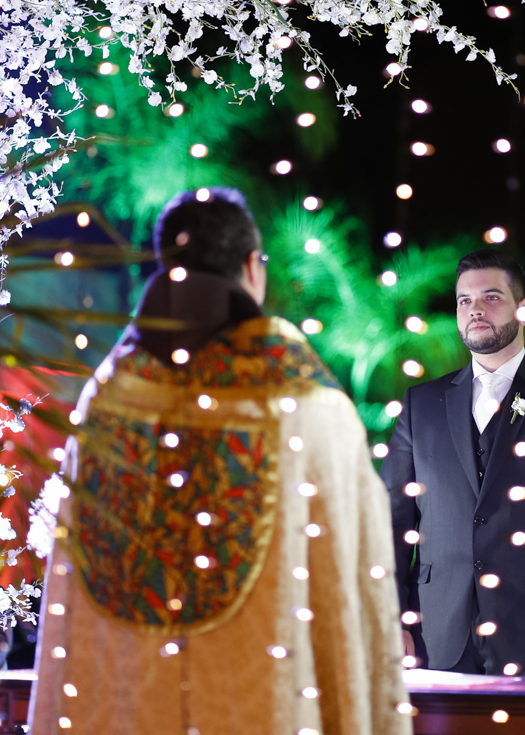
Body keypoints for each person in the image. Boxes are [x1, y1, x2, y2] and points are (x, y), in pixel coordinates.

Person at [29, 188, 411, 735]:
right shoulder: (305, 404)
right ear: (252, 268)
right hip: (265, 699)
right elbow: (354, 587)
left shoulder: (111, 399)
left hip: (133, 702)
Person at [380, 250, 525, 676]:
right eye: (464, 301)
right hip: (437, 634)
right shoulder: (421, 405)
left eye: (491, 297)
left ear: (522, 309)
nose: (475, 310)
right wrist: (392, 618)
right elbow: (392, 524)